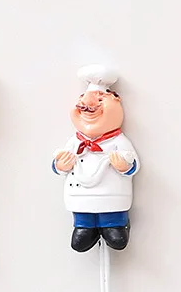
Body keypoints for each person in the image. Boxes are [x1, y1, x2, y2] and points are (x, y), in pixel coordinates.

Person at [53, 65, 139, 253]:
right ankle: (84, 227)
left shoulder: (118, 142)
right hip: (80, 196)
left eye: (100, 99)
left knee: (115, 232)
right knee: (81, 231)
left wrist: (124, 166)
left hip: (112, 196)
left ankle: (114, 225)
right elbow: (59, 164)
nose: (89, 107)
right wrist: (61, 165)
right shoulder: (74, 141)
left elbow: (133, 164)